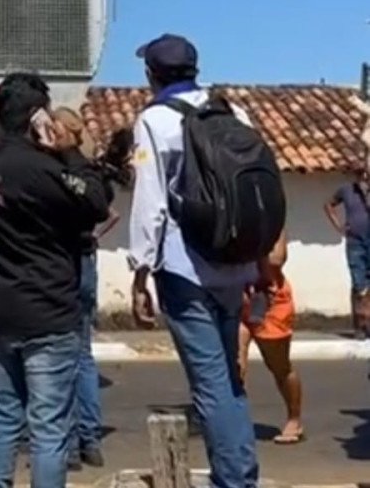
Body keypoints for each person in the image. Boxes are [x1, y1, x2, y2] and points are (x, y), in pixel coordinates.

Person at [129, 34, 260, 488]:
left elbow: (151, 203)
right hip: (235, 261)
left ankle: (234, 480)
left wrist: (140, 271)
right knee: (229, 376)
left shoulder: (154, 120)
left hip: (185, 268)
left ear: (153, 75)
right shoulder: (233, 112)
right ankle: (242, 473)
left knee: (209, 386)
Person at [0, 73, 110, 488]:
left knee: (2, 416)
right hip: (48, 309)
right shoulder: (45, 167)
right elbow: (96, 202)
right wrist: (70, 154)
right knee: (49, 427)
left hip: (0, 306)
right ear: (38, 116)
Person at [51, 109, 121, 472]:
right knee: (83, 353)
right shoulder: (92, 172)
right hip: (87, 259)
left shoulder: (56, 170)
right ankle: (90, 437)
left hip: (65, 263)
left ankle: (72, 442)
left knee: (63, 356)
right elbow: (107, 211)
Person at [239, 231, 304, 445]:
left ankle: (294, 418)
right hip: (237, 295)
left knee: (279, 366)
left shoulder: (271, 212)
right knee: (234, 363)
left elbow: (277, 258)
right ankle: (236, 420)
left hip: (269, 299)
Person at [324, 169, 370, 337]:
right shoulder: (346, 190)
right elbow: (328, 204)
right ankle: (360, 325)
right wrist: (339, 226)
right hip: (355, 242)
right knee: (359, 283)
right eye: (361, 175)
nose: (364, 178)